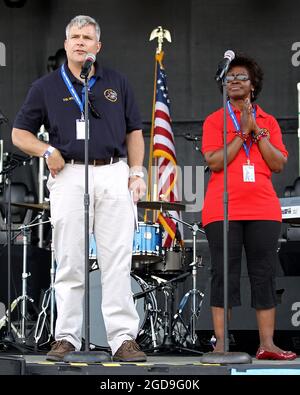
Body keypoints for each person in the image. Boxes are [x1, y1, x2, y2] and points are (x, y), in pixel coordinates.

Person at [12, 15, 147, 362]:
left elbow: (134, 131)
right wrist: (46, 150)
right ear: (66, 43)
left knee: (117, 260)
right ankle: (66, 337)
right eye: (75, 36)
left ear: (97, 46)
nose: (81, 42)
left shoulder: (117, 81)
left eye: (88, 37)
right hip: (69, 172)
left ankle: (122, 339)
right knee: (69, 258)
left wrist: (136, 172)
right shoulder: (45, 86)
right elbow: (19, 133)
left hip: (112, 170)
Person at [201, 54, 297, 360]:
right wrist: (241, 133)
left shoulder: (267, 122)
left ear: (253, 85)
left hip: (263, 209)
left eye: (240, 77)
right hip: (223, 209)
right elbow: (215, 160)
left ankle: (267, 344)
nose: (234, 82)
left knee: (263, 275)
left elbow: (278, 162)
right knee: (223, 275)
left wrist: (256, 131)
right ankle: (221, 342)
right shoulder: (215, 120)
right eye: (229, 78)